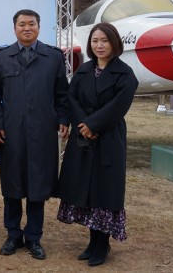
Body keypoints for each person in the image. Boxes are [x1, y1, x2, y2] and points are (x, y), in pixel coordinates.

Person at [0, 9, 69, 260]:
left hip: (43, 130)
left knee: (38, 184)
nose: (26, 28)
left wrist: (63, 119)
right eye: (22, 24)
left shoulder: (53, 57)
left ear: (39, 27)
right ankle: (13, 234)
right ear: (14, 28)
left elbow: (62, 93)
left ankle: (34, 237)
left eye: (31, 24)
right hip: (11, 130)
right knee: (12, 184)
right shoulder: (1, 58)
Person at [56, 22, 138, 267]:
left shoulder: (125, 74)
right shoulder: (84, 70)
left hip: (108, 136)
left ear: (114, 43)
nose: (99, 45)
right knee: (86, 189)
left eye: (104, 40)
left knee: (104, 191)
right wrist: (83, 124)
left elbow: (118, 106)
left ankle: (102, 244)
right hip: (83, 137)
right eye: (95, 41)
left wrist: (93, 124)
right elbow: (71, 98)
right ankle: (92, 242)